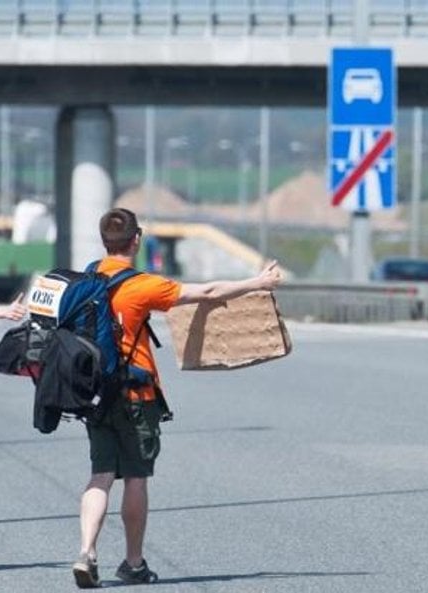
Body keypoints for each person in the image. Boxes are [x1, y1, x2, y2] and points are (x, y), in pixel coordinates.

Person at [72, 208, 282, 588]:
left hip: (96, 395)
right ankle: (133, 563)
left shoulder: (86, 278)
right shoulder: (143, 285)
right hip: (136, 394)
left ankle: (86, 552)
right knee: (136, 477)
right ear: (135, 240)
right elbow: (208, 292)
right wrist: (258, 282)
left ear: (104, 242)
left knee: (101, 474)